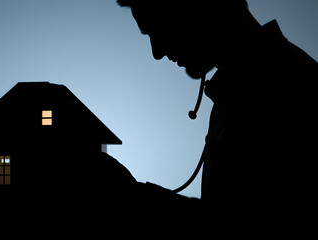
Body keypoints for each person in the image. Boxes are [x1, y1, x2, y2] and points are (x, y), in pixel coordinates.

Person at [115, 0, 317, 233]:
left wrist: (127, 194)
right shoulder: (235, 93)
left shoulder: (291, 86)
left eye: (157, 28)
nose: (157, 52)